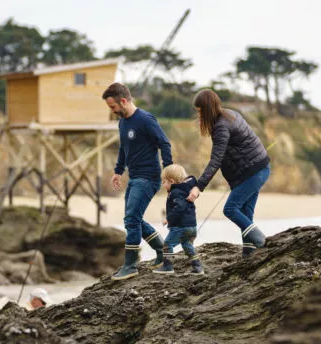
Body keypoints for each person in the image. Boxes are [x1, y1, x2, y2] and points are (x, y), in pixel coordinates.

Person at [187, 89, 270, 258]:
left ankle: (261, 241)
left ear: (207, 109)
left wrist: (199, 187)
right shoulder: (230, 114)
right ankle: (248, 254)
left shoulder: (221, 127)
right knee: (246, 213)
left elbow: (216, 160)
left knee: (231, 208)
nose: (199, 116)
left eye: (200, 112)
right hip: (258, 169)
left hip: (253, 173)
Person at [102, 82, 172, 281]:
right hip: (134, 177)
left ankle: (130, 265)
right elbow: (124, 149)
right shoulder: (123, 122)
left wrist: (169, 171)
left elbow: (164, 143)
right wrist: (118, 171)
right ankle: (162, 250)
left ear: (123, 101)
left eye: (113, 107)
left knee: (132, 219)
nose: (112, 111)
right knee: (133, 219)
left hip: (148, 178)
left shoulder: (145, 119)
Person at [153, 164, 203, 275]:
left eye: (164, 182)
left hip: (181, 227)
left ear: (172, 181)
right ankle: (197, 266)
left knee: (167, 244)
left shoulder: (176, 192)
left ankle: (168, 266)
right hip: (192, 227)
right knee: (187, 245)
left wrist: (168, 218)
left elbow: (179, 207)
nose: (162, 184)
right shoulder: (187, 190)